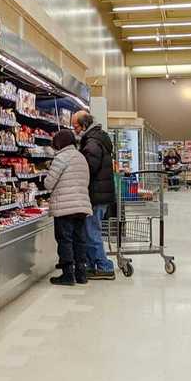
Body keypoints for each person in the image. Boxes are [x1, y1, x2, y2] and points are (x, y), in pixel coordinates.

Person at [72, 111, 116, 280]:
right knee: (89, 230)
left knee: (91, 231)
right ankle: (91, 265)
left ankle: (104, 266)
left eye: (76, 126)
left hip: (96, 195)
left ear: (84, 125)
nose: (74, 130)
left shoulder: (92, 143)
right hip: (100, 193)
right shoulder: (96, 138)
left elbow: (89, 168)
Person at [45, 129, 93, 285]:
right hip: (81, 205)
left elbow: (48, 184)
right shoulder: (81, 157)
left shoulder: (61, 158)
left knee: (65, 240)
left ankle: (67, 275)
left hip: (65, 206)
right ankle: (81, 274)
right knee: (79, 240)